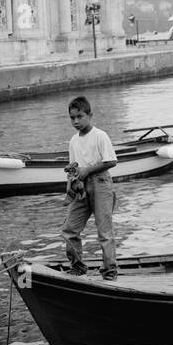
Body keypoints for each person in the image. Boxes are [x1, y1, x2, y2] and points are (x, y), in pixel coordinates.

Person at [62, 95, 119, 279]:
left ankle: (110, 270)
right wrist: (71, 183)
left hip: (100, 183)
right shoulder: (73, 141)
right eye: (72, 118)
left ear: (90, 115)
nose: (76, 121)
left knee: (104, 231)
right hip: (80, 185)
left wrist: (88, 170)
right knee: (70, 229)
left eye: (80, 116)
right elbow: (73, 166)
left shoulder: (100, 136)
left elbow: (111, 161)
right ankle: (77, 266)